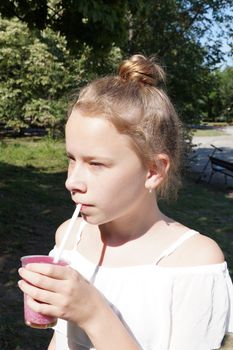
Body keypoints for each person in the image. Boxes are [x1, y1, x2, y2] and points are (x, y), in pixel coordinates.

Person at [18, 54, 233, 350]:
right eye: (72, 159)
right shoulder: (70, 237)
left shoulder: (193, 263)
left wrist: (94, 314)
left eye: (96, 164)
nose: (72, 181)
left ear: (153, 171)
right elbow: (62, 339)